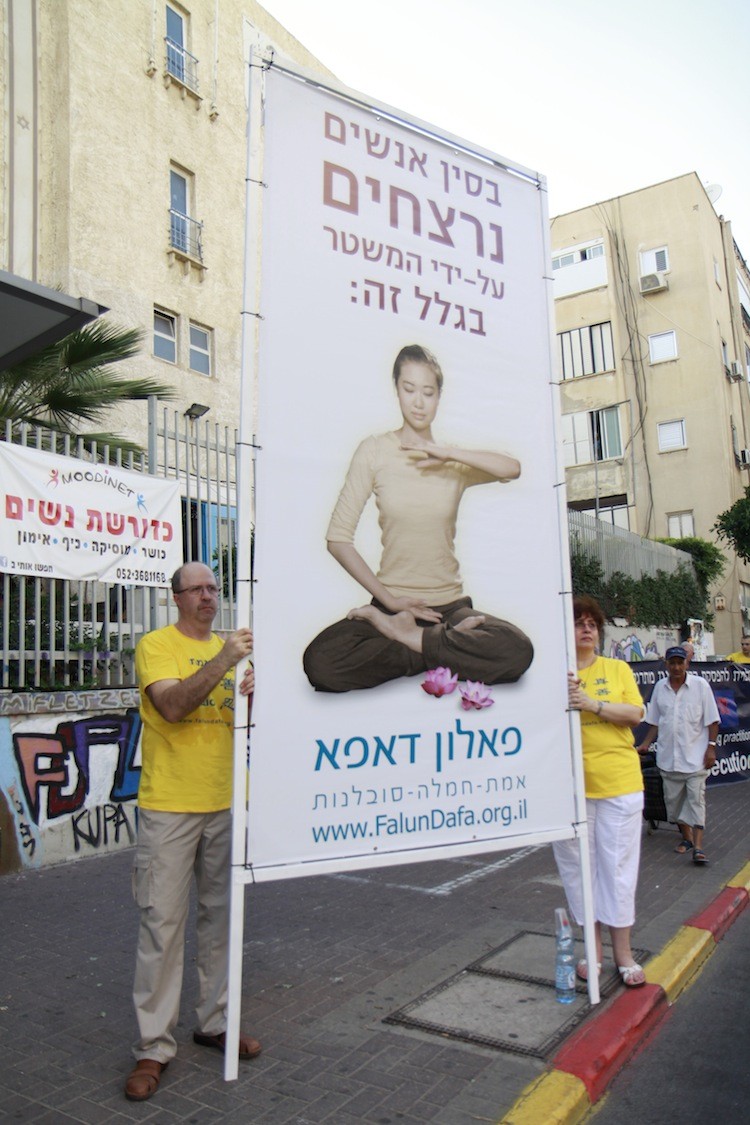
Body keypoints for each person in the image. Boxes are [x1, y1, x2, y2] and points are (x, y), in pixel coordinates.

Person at [303, 344, 533, 692]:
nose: (418, 401)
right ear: (396, 388)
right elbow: (338, 538)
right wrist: (391, 604)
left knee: (516, 649)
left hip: (451, 610)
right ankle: (439, 645)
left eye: (428, 392)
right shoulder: (375, 451)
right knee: (320, 662)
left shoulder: (452, 462)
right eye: (409, 389)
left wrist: (449, 453)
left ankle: (415, 640)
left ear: (440, 396)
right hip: (393, 607)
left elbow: (512, 469)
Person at [124, 562, 260, 1103]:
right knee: (162, 924)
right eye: (197, 589)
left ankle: (215, 1022)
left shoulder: (237, 653)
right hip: (170, 806)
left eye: (213, 588)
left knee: (222, 919)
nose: (208, 596)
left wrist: (254, 693)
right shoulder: (156, 646)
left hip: (224, 803)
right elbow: (175, 707)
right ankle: (153, 1046)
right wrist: (226, 659)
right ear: (176, 597)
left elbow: (248, 725)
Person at [553, 595, 647, 988]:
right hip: (570, 790)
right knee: (579, 875)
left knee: (618, 873)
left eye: (593, 622)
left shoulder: (617, 668)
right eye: (579, 622)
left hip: (619, 785)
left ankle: (623, 955)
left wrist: (591, 704)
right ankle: (593, 954)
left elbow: (635, 714)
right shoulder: (554, 674)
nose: (587, 628)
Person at [637, 645, 719, 866]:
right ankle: (688, 838)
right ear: (666, 665)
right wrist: (645, 744)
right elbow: (655, 721)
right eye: (672, 663)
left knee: (696, 801)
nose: (676, 667)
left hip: (696, 759)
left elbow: (712, 720)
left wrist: (711, 747)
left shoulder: (700, 687)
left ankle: (699, 848)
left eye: (679, 663)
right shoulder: (660, 688)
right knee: (675, 806)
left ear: (687, 664)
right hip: (669, 760)